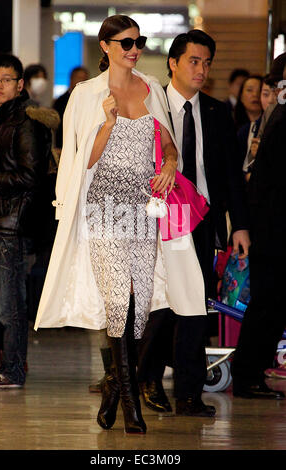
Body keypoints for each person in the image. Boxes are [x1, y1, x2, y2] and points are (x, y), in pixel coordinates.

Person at [34, 15, 207, 433]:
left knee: (145, 307)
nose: (134, 48)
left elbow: (168, 143)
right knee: (118, 303)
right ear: (106, 47)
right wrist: (108, 124)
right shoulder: (87, 94)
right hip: (104, 208)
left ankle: (114, 387)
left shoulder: (152, 89)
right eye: (126, 42)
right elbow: (80, 162)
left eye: (139, 41)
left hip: (145, 208)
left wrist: (168, 163)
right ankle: (132, 406)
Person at [137, 30, 250, 416]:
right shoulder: (151, 107)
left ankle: (188, 393)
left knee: (194, 309)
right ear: (173, 63)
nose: (201, 69)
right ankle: (148, 380)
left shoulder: (218, 113)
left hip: (200, 221)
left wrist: (240, 227)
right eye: (193, 61)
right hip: (158, 220)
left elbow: (232, 176)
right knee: (159, 307)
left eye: (206, 63)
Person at [0, 53, 52, 389]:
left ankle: (12, 369)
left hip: (11, 226)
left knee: (10, 304)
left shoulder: (26, 124)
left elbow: (30, 176)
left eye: (6, 79)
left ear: (20, 84)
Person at [231, 53, 286, 397]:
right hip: (274, 229)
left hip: (272, 227)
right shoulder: (281, 119)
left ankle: (252, 372)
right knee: (268, 302)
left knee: (272, 303)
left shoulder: (278, 117)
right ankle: (248, 374)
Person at [53, 66, 89, 151]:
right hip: (64, 146)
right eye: (79, 78)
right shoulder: (60, 101)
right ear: (71, 79)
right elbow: (58, 128)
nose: (82, 82)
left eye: (85, 79)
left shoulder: (90, 100)